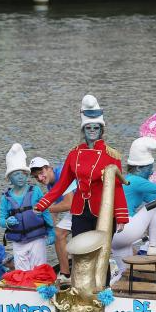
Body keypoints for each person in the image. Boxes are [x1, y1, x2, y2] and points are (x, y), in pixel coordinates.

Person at [34, 94, 128, 237]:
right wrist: (43, 204)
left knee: (100, 254)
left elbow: (117, 187)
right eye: (88, 127)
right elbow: (62, 184)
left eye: (96, 128)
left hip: (103, 210)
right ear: (83, 130)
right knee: (80, 252)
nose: (92, 130)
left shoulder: (111, 155)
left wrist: (121, 217)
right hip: (79, 210)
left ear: (101, 130)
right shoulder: (74, 154)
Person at [111, 136, 156, 273]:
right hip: (125, 230)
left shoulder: (128, 180)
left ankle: (113, 290)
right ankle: (154, 245)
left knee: (124, 273)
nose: (151, 172)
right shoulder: (136, 180)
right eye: (149, 168)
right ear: (139, 168)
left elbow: (153, 197)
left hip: (113, 237)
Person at [0, 143, 54, 271]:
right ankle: (25, 289)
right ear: (9, 178)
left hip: (37, 239)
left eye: (22, 173)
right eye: (15, 174)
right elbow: (1, 220)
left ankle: (40, 288)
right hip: (18, 243)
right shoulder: (5, 197)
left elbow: (45, 212)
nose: (20, 177)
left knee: (39, 269)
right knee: (22, 272)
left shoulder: (35, 191)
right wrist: (7, 222)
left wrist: (51, 231)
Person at [29, 156, 75, 278]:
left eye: (41, 173)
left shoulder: (61, 174)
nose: (39, 178)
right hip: (77, 209)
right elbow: (55, 208)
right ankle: (65, 274)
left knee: (60, 234)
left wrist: (44, 209)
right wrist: (48, 229)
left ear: (49, 168)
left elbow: (68, 204)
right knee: (57, 234)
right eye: (36, 177)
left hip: (86, 207)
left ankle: (66, 273)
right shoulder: (51, 183)